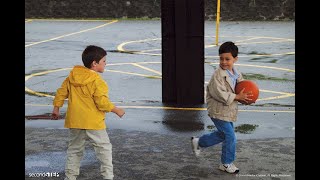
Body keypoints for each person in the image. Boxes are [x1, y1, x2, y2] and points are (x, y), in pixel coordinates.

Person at [51, 45, 125, 180]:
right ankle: (108, 176)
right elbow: (101, 103)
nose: (105, 63)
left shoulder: (72, 76)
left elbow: (61, 92)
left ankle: (70, 177)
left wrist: (56, 108)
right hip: (93, 122)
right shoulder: (97, 81)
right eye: (103, 61)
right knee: (104, 149)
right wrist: (116, 110)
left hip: (75, 121)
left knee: (74, 150)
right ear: (94, 64)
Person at [191, 41, 253, 174]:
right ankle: (226, 163)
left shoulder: (237, 74)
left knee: (223, 134)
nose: (224, 62)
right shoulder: (217, 75)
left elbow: (241, 89)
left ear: (235, 59)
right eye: (221, 58)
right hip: (218, 110)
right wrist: (237, 97)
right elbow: (219, 94)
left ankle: (199, 142)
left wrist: (247, 98)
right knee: (230, 136)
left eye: (227, 59)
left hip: (228, 111)